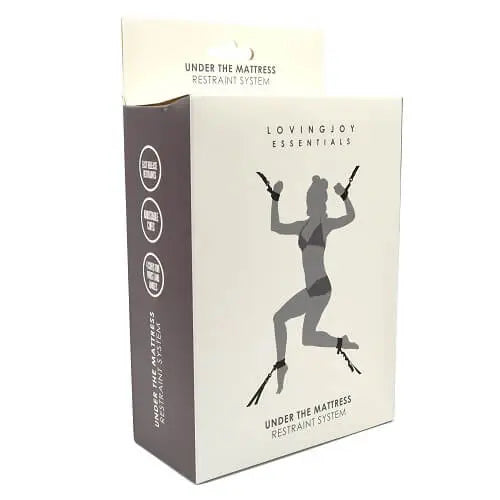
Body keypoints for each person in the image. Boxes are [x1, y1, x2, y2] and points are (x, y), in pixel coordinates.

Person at [269, 175, 360, 393]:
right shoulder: (302, 226)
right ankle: (283, 364)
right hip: (311, 290)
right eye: (309, 200)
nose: (310, 204)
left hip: (321, 288)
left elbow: (350, 216)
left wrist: (344, 195)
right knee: (294, 328)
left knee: (293, 327)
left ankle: (340, 343)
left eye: (313, 201)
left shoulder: (326, 225)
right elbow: (276, 227)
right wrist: (275, 198)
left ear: (320, 203)